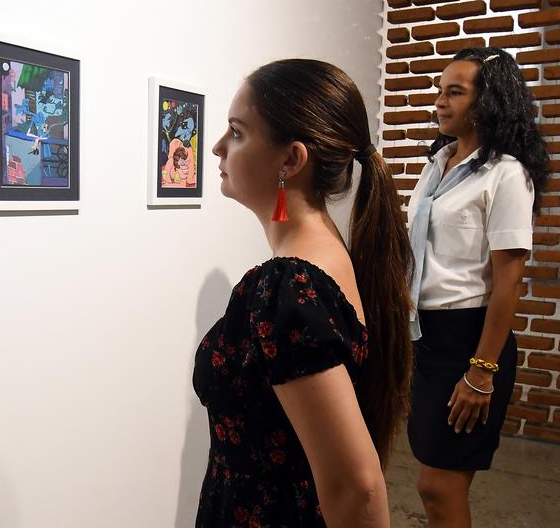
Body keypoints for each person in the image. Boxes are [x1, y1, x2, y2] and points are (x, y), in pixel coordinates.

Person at [193, 59, 413, 527]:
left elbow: (357, 488)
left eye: (236, 131)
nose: (217, 147)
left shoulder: (286, 285)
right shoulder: (327, 255)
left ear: (290, 160)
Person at [406, 47, 548, 528]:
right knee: (430, 483)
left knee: (440, 488)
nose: (441, 102)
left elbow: (509, 282)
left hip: (470, 340)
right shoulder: (437, 163)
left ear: (489, 102)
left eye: (455, 92)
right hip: (427, 337)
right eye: (439, 91)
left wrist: (481, 372)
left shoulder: (506, 174)